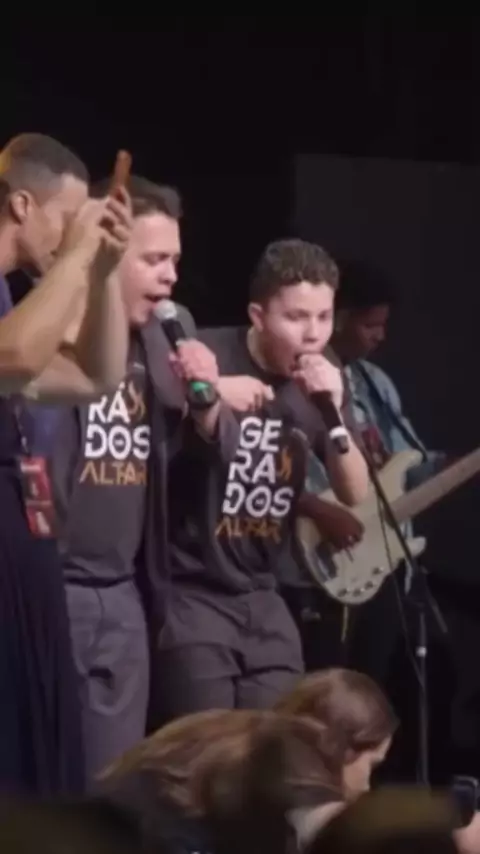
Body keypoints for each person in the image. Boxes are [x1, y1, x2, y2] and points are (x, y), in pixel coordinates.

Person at [50, 174, 229, 784]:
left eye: (175, 260)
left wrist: (208, 406)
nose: (170, 275)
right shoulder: (50, 323)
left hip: (124, 592)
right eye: (153, 259)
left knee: (112, 781)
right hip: (49, 583)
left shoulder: (163, 340)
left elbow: (192, 473)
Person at [154, 238, 369, 719]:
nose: (313, 334)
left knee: (273, 745)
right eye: (296, 317)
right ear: (258, 316)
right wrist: (211, 392)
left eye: (324, 317)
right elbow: (157, 429)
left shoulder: (325, 376)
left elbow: (354, 490)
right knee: (209, 747)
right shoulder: (209, 353)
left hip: (265, 592)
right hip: (193, 587)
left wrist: (333, 410)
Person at [0, 132, 131, 795]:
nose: (74, 231)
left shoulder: (11, 297)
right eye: (67, 216)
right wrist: (77, 256)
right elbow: (13, 359)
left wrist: (103, 271)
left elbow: (95, 376)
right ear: (22, 205)